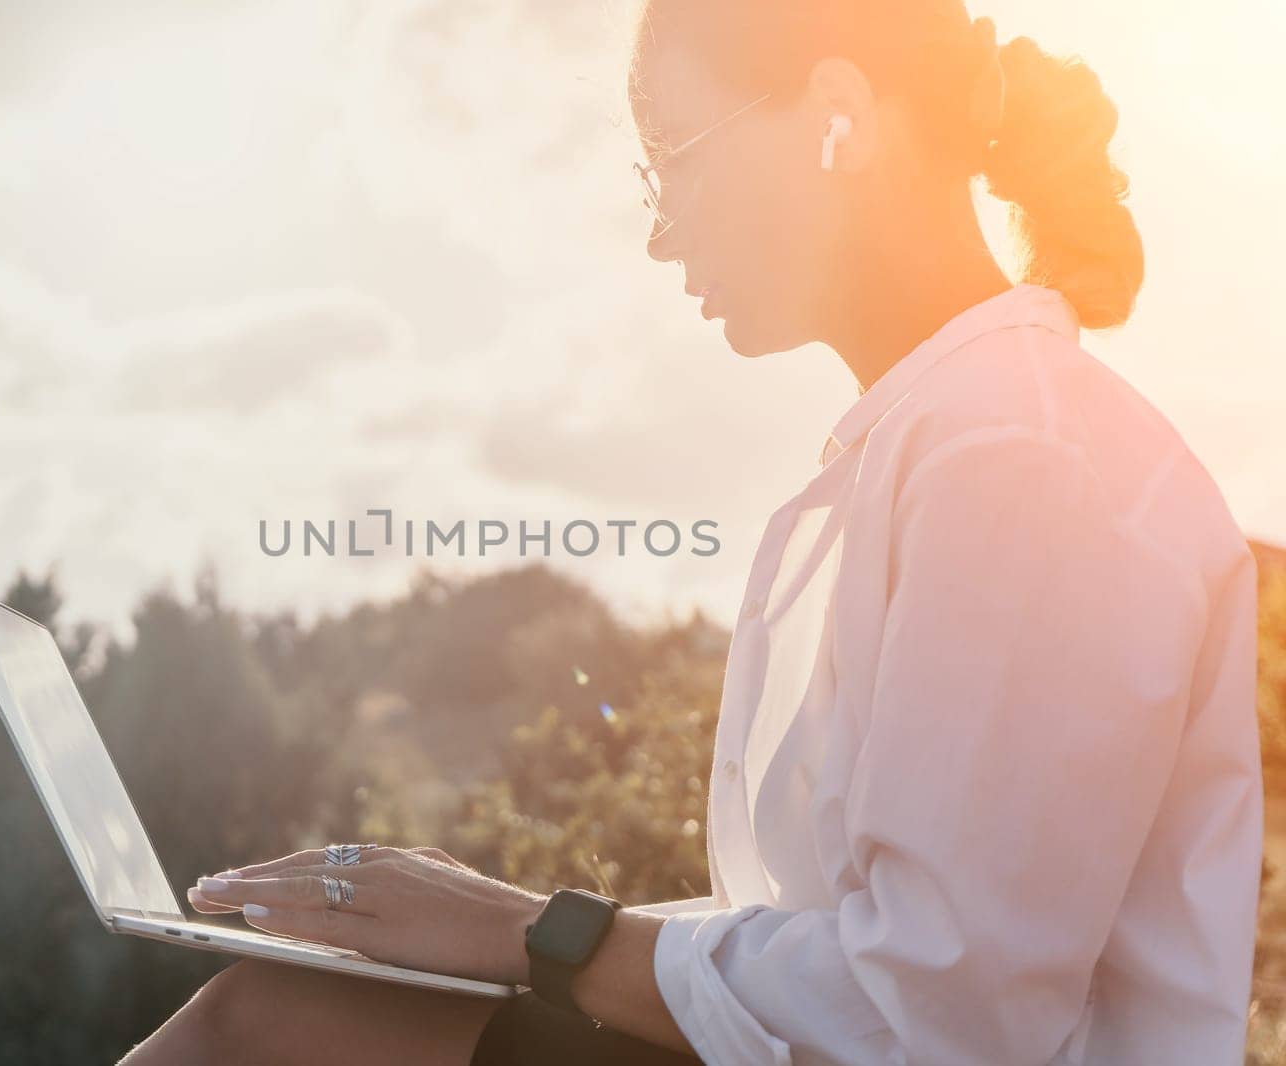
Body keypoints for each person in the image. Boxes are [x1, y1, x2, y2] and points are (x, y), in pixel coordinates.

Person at [118, 1, 1262, 1063]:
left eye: (678, 158)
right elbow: (873, 952)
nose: (663, 235)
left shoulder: (1024, 459)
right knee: (292, 1017)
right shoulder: (951, 437)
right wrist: (465, 929)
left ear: (840, 117)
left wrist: (532, 934)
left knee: (270, 1030)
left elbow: (942, 1009)